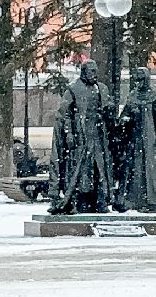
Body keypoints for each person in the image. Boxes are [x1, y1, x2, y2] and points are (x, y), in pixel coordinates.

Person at [48, 60, 115, 215]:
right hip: (80, 136)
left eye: (95, 71)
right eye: (91, 71)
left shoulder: (101, 88)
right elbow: (65, 114)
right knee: (81, 169)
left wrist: (109, 111)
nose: (94, 74)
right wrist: (69, 133)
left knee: (99, 169)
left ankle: (100, 200)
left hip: (97, 135)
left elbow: (107, 109)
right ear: (84, 72)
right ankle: (78, 200)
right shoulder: (73, 89)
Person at [113, 67, 156, 213]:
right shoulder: (132, 97)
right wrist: (126, 120)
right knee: (133, 170)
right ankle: (132, 200)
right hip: (134, 140)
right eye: (138, 78)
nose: (140, 81)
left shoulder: (154, 97)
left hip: (150, 141)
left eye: (142, 78)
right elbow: (123, 118)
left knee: (152, 170)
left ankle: (154, 200)